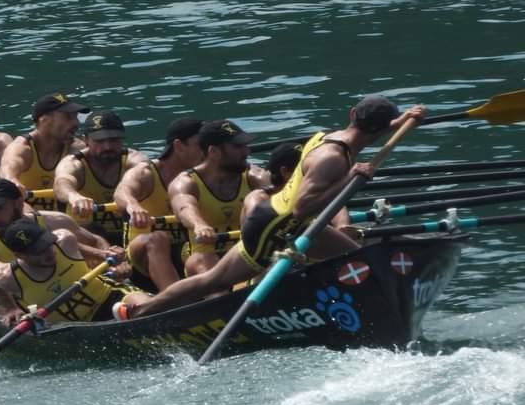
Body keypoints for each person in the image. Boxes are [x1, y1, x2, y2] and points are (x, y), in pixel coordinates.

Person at [114, 96, 426, 319]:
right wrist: (349, 181)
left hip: (283, 222)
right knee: (214, 281)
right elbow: (303, 207)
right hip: (275, 227)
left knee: (358, 257)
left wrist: (401, 122)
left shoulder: (332, 137)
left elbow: (366, 134)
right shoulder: (332, 160)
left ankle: (357, 312)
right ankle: (141, 313)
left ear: (352, 114)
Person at [0, 178, 123, 299]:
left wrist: (116, 263)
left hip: (83, 287)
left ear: (18, 203)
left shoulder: (55, 221)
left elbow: (96, 242)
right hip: (36, 302)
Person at [0, 219, 150, 325]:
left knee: (148, 307)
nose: (48, 253)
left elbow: (96, 249)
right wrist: (9, 308)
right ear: (19, 255)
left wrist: (108, 257)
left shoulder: (64, 240)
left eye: (47, 244)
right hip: (72, 326)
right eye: (38, 251)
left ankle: (146, 313)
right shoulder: (8, 276)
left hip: (110, 297)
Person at [168, 120, 270, 276]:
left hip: (245, 253)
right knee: (202, 259)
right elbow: (184, 206)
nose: (247, 152)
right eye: (238, 147)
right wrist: (199, 225)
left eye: (245, 146)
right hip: (204, 254)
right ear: (213, 151)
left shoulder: (254, 176)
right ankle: (221, 295)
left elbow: (278, 194)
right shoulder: (186, 182)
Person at [113, 117, 204, 290]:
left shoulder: (200, 176)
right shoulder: (146, 172)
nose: (207, 151)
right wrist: (134, 206)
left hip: (185, 250)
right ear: (178, 146)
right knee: (157, 238)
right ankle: (178, 301)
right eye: (200, 145)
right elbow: (122, 191)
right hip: (141, 259)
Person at [53, 110, 147, 246]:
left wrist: (131, 202)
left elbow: (146, 172)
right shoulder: (73, 163)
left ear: (122, 139)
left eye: (113, 140)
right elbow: (62, 183)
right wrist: (74, 196)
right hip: (89, 236)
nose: (107, 146)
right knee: (92, 230)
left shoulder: (135, 160)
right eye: (99, 141)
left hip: (130, 233)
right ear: (85, 140)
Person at [0, 92, 88, 211]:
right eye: (68, 117)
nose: (76, 123)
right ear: (44, 119)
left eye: (76, 117)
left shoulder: (77, 149)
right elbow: (7, 169)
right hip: (26, 219)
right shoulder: (22, 148)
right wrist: (12, 181)